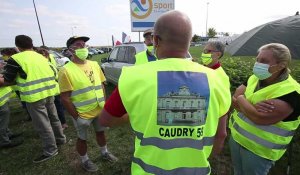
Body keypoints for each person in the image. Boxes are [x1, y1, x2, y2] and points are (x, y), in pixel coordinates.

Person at [99, 10, 231, 175]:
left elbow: (106, 119)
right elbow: (221, 134)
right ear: (189, 41)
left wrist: (136, 114)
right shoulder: (217, 79)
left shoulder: (133, 76)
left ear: (155, 40)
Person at [230, 43, 300, 175]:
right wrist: (247, 105)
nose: (258, 64)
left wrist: (242, 100)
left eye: (264, 61)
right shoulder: (254, 78)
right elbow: (235, 98)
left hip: (259, 151)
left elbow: (259, 118)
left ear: (281, 65)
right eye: (257, 59)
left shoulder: (291, 92)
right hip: (237, 138)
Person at [0, 35, 66, 163]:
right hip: (49, 91)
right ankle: (60, 139)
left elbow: (8, 79)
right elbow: (52, 72)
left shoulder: (16, 58)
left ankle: (50, 150)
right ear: (31, 44)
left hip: (34, 96)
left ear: (17, 47)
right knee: (53, 118)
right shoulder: (40, 56)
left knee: (43, 124)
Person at [58, 36, 118, 172]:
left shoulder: (95, 65)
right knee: (82, 138)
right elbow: (65, 98)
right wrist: (76, 117)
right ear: (70, 50)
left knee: (101, 133)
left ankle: (104, 152)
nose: (83, 47)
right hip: (82, 113)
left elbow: (101, 85)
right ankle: (85, 160)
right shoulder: (65, 70)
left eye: (84, 45)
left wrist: (105, 106)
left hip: (99, 109)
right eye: (78, 45)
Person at [201, 41, 231, 158]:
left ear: (218, 55)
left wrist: (214, 153)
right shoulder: (202, 69)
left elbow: (223, 109)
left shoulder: (221, 77)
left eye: (207, 51)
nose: (204, 54)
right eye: (204, 51)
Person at [36, 47, 68, 129]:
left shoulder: (47, 64)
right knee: (54, 108)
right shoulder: (45, 63)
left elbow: (56, 75)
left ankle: (63, 123)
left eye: (44, 55)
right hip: (49, 89)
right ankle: (60, 123)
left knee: (57, 107)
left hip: (53, 89)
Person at [0, 84, 24, 148]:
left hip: (2, 100)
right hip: (0, 102)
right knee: (2, 122)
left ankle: (7, 134)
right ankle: (4, 141)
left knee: (4, 120)